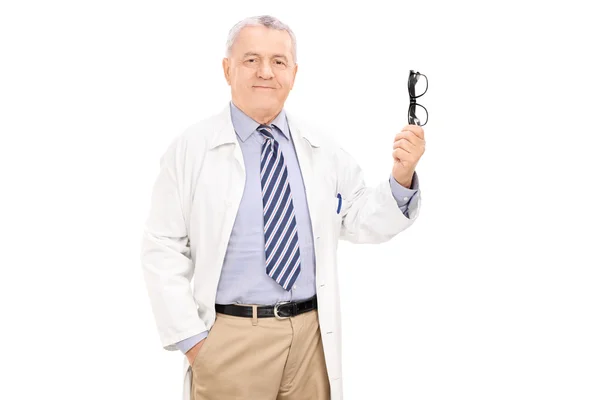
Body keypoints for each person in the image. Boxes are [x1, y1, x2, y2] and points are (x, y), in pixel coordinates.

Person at [140, 14, 425, 400]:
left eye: (278, 61)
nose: (266, 72)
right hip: (232, 340)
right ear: (227, 69)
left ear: (293, 72)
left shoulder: (320, 146)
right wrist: (194, 343)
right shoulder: (192, 149)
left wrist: (402, 176)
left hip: (310, 338)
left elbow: (358, 218)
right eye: (251, 59)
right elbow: (162, 247)